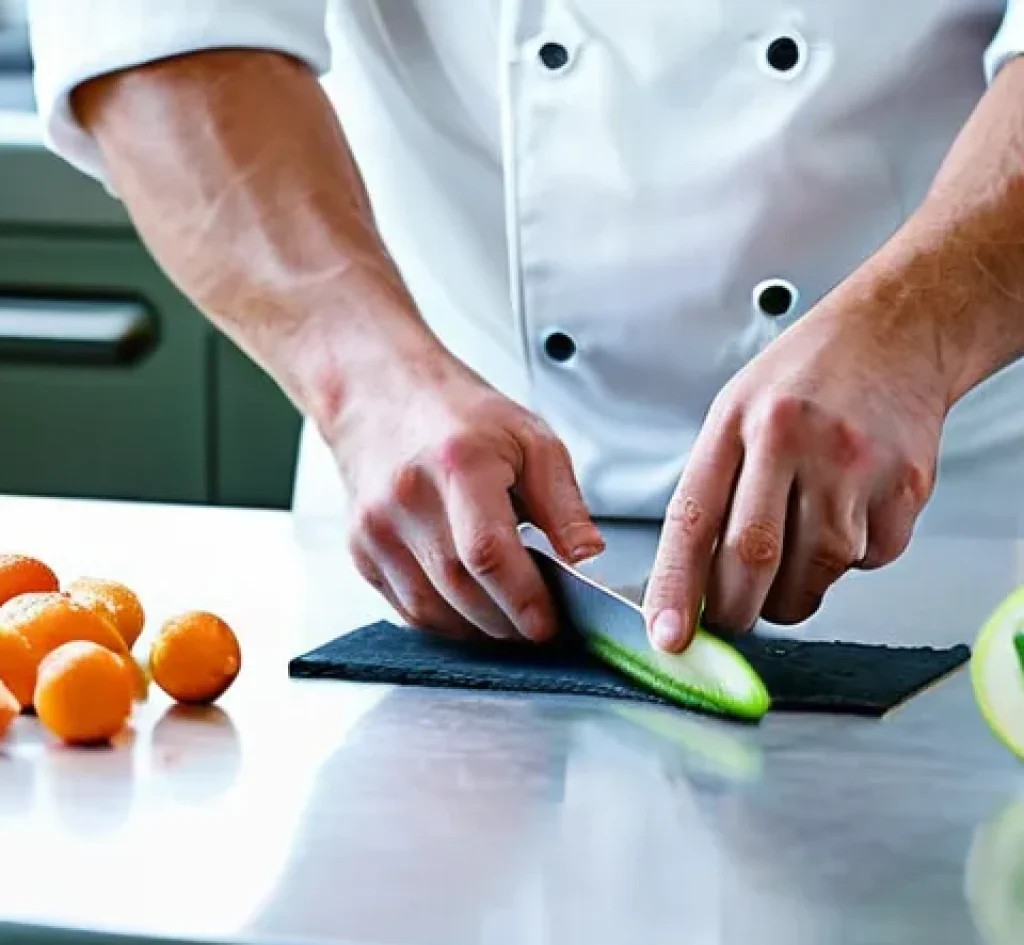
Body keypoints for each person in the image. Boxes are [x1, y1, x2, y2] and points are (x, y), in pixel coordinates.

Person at [27, 2, 1024, 652]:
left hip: (952, 517)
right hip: (428, 508)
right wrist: (366, 383)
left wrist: (919, 329)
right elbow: (160, 29)